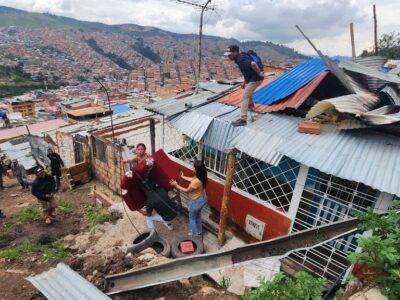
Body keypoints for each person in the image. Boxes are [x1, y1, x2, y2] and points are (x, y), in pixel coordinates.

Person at [224, 45, 264, 126]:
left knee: (244, 97)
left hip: (256, 79)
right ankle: (251, 105)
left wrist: (259, 73)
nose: (228, 56)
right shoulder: (239, 58)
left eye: (230, 54)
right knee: (247, 90)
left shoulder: (240, 59)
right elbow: (247, 72)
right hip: (252, 78)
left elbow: (253, 64)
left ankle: (243, 119)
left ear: (235, 53)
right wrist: (244, 82)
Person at [170, 160, 208, 236]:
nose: (192, 167)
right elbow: (192, 179)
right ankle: (199, 231)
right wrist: (183, 176)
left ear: (196, 169)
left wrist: (176, 185)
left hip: (197, 201)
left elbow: (187, 190)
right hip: (203, 198)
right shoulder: (202, 176)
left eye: (193, 166)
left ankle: (195, 234)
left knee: (192, 218)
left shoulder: (196, 181)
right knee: (197, 215)